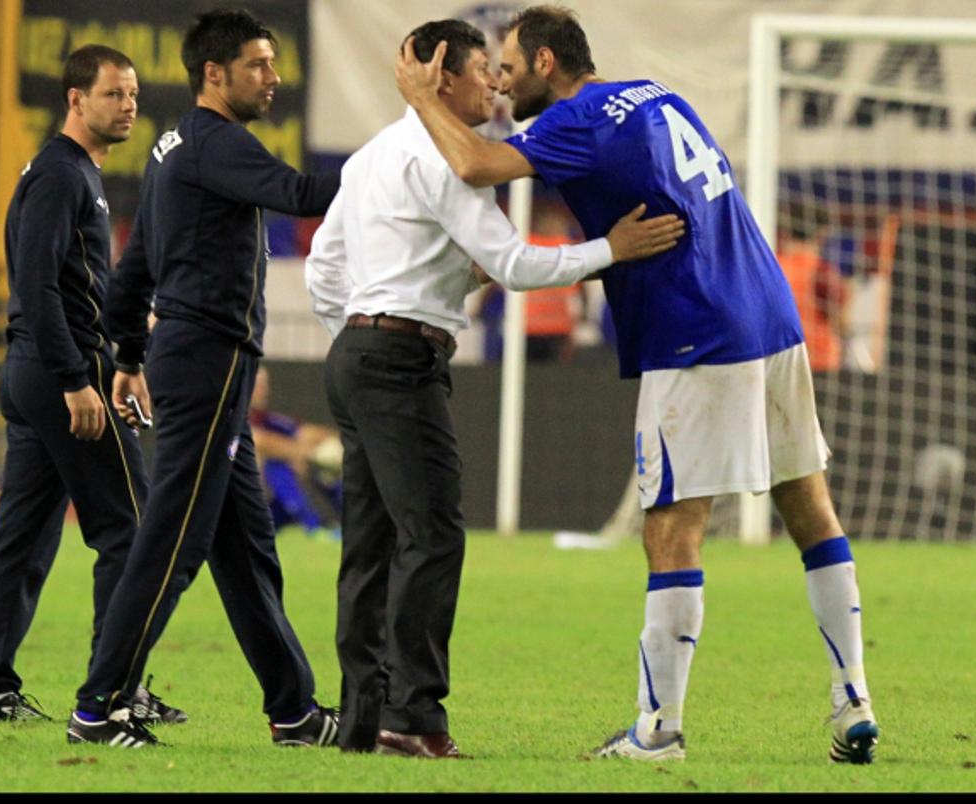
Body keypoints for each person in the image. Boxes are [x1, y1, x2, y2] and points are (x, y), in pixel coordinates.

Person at [396, 5, 880, 763]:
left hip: (696, 328)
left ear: (548, 64)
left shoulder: (574, 119)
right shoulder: (656, 93)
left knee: (670, 527)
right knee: (808, 504)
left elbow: (475, 166)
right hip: (769, 311)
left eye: (514, 68)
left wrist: (419, 96)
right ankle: (853, 702)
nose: (505, 84)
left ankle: (657, 732)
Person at [307, 19, 683, 758]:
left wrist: (362, 333)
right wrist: (613, 249)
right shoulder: (446, 159)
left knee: (371, 544)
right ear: (442, 76)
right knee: (434, 536)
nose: (498, 86)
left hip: (357, 353)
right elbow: (514, 265)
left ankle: (361, 719)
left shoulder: (374, 154)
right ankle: (411, 719)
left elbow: (325, 268)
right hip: (398, 364)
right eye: (485, 70)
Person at [69, 9, 341, 748]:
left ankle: (294, 711)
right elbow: (301, 193)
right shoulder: (218, 143)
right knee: (174, 539)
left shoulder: (169, 148)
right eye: (258, 64)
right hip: (209, 360)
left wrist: (127, 356)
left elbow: (135, 266)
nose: (273, 77)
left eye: (274, 63)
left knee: (247, 547)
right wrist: (397, 162)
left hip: (189, 359)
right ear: (214, 74)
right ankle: (100, 705)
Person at [0, 45, 185, 727]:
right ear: (76, 100)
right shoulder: (63, 175)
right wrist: (75, 378)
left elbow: (71, 283)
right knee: (134, 530)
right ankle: (116, 691)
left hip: (35, 370)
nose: (129, 106)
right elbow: (34, 283)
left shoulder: (69, 172)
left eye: (134, 94)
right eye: (114, 93)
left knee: (24, 537)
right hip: (60, 372)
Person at [249, 366, 343, 532]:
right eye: (258, 386)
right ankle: (309, 525)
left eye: (265, 385)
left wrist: (332, 446)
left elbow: (306, 432)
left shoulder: (266, 419)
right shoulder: (232, 418)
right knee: (277, 465)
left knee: (326, 468)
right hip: (247, 501)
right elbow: (259, 441)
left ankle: (343, 521)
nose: (264, 391)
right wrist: (308, 454)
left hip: (272, 504)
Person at [777, 203, 850, 372]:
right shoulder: (821, 271)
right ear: (821, 234)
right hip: (819, 362)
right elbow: (840, 320)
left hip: (780, 363)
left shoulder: (771, 266)